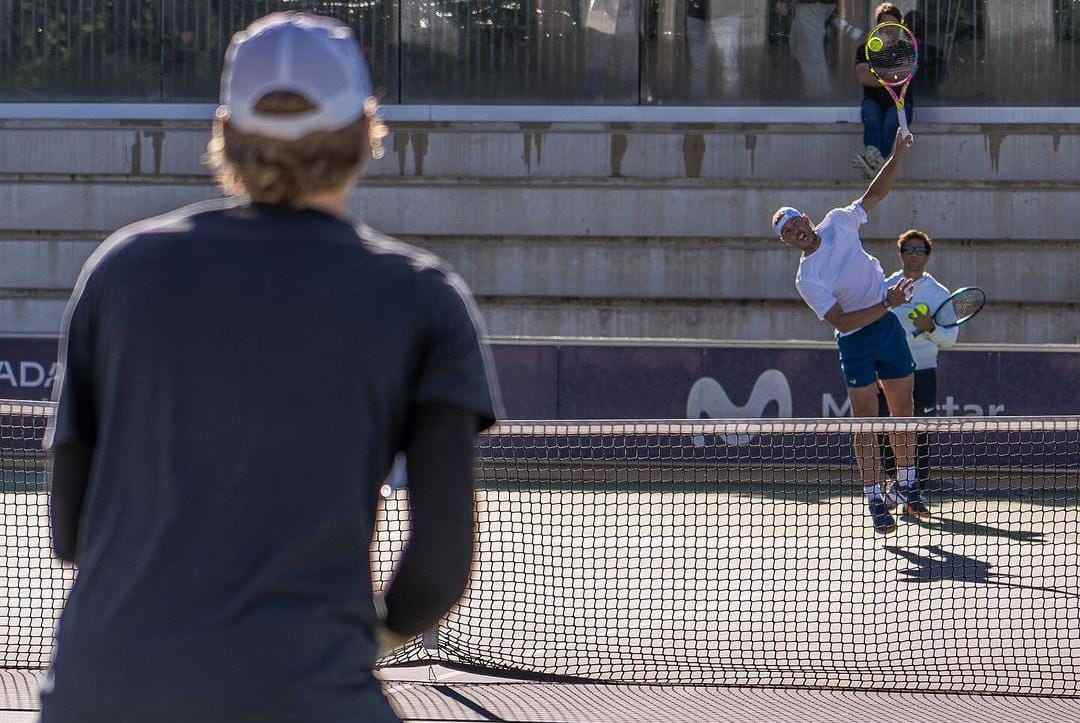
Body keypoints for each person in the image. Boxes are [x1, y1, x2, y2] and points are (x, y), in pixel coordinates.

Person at [41, 12, 501, 723]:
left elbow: (70, 529)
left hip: (101, 691)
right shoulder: (423, 298)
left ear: (226, 133)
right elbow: (440, 565)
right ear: (363, 132)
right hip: (308, 693)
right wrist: (361, 637)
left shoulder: (120, 271)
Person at [771, 127, 928, 535]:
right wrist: (885, 304)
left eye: (794, 223)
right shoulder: (807, 278)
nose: (795, 232)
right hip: (857, 338)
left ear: (805, 218)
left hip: (887, 330)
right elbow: (842, 321)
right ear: (787, 242)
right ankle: (876, 497)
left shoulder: (840, 221)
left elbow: (876, 192)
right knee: (866, 421)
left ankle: (907, 485)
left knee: (903, 413)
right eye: (787, 233)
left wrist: (896, 154)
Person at [877, 229, 958, 488]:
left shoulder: (938, 293)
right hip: (888, 370)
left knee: (919, 430)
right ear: (900, 254)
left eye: (919, 250)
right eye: (908, 250)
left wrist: (931, 327)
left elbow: (950, 338)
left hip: (923, 370)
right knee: (886, 428)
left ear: (927, 256)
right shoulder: (886, 287)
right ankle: (895, 480)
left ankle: (917, 485)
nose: (914, 255)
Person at [852, 3, 914, 178]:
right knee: (871, 119)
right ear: (878, 26)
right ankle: (876, 167)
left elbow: (902, 75)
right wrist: (890, 74)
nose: (890, 29)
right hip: (873, 101)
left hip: (900, 103)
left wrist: (878, 73)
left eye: (894, 24)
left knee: (890, 124)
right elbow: (864, 77)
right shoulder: (865, 49)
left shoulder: (907, 49)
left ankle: (871, 164)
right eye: (885, 24)